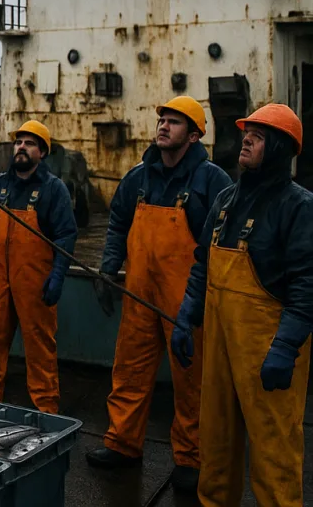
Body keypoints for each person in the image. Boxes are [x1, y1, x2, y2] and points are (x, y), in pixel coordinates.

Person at [84, 97, 231, 493]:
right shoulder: (139, 176)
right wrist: (109, 267)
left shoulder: (211, 181)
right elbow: (118, 223)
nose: (163, 126)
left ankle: (191, 457)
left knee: (192, 379)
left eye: (175, 122)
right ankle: (123, 443)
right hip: (139, 295)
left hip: (188, 302)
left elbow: (220, 242)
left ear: (195, 134)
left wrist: (200, 302)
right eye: (162, 119)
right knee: (129, 368)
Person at [171, 103, 313, 507]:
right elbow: (204, 264)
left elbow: (307, 284)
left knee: (274, 454)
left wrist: (285, 347)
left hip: (268, 350)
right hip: (219, 348)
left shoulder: (299, 207)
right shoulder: (227, 199)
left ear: (281, 149)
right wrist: (186, 316)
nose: (245, 139)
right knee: (215, 446)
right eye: (246, 132)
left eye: (258, 135)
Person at [0, 120, 78, 414]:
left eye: (29, 143)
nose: (21, 148)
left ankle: (46, 414)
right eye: (18, 143)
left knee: (40, 349)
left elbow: (66, 235)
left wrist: (57, 277)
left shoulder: (54, 190)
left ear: (42, 152)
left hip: (35, 283)